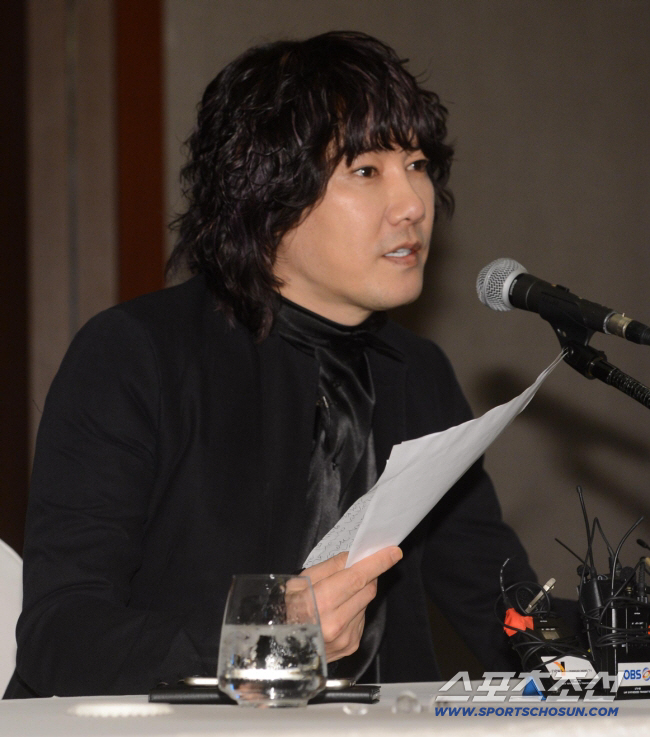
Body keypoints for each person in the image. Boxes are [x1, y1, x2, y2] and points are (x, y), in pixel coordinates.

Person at [7, 31, 536, 699]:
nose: (413, 205)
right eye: (366, 170)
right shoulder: (134, 355)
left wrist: (614, 635)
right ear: (267, 193)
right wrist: (263, 638)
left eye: (418, 164)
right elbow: (62, 637)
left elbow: (503, 611)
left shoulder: (416, 371)